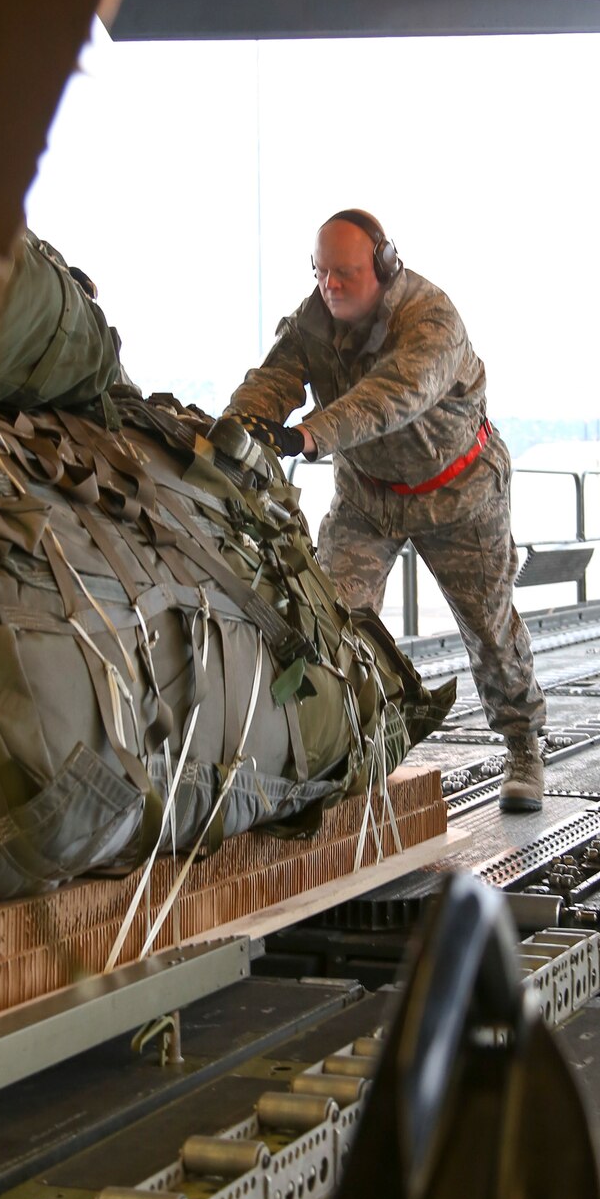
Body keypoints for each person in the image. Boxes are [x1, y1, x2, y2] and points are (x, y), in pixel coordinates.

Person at [225, 209, 547, 810]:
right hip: (368, 498)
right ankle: (340, 746)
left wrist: (308, 436)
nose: (331, 287)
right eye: (322, 273)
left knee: (489, 628)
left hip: (460, 497)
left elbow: (392, 396)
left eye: (345, 274)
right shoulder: (315, 320)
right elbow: (273, 377)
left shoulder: (431, 319)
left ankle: (524, 746)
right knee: (331, 617)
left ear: (384, 267)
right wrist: (240, 427)